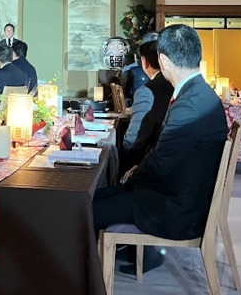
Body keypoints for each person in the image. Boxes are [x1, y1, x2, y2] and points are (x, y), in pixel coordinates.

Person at [93, 24, 228, 274]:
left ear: (163, 60)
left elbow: (161, 162)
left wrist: (133, 177)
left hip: (177, 208)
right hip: (185, 194)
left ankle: (85, 282)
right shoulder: (200, 93)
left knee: (88, 208)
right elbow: (164, 157)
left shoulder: (189, 105)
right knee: (94, 196)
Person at [119, 37, 175, 175]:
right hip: (171, 159)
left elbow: (132, 140)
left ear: (145, 62)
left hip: (145, 163)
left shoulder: (146, 92)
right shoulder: (176, 85)